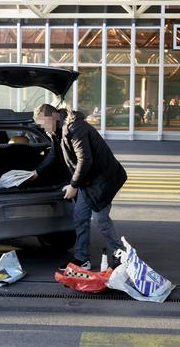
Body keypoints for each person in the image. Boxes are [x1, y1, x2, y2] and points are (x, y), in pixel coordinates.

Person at [58, 108, 127, 271]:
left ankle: (122, 256)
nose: (43, 127)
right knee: (80, 217)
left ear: (54, 118)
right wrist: (37, 172)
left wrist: (73, 185)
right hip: (87, 182)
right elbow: (57, 154)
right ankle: (82, 258)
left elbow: (85, 160)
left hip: (102, 181)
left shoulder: (76, 129)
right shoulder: (62, 130)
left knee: (101, 220)